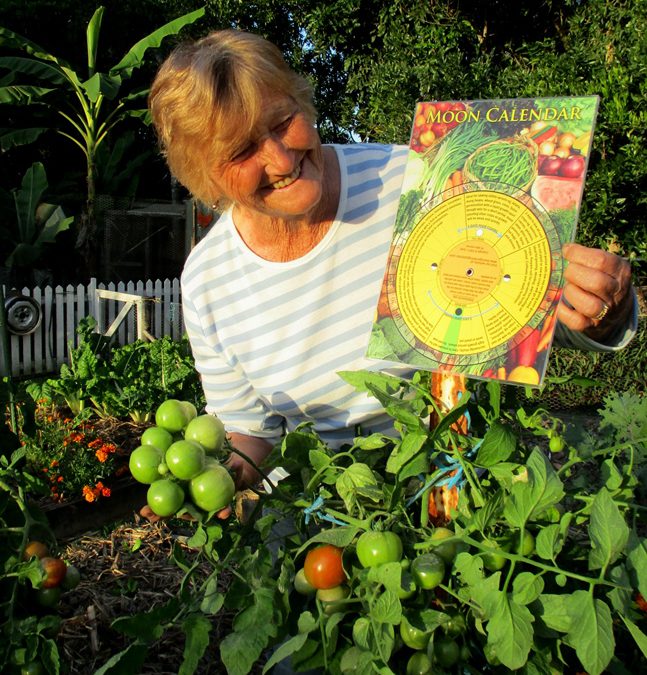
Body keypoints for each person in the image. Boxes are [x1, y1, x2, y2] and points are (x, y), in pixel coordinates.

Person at [148, 29, 638, 490]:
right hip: (317, 509)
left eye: (282, 122)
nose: (280, 159)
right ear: (206, 179)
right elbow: (250, 431)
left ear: (304, 103)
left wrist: (598, 308)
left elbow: (519, 307)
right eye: (242, 151)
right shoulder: (209, 279)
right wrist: (213, 478)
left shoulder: (415, 183)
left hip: (451, 480)